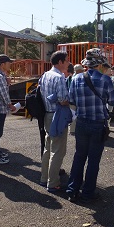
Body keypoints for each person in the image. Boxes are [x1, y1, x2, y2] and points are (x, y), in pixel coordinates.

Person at [66, 48, 114, 203]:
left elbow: (72, 101)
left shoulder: (76, 78)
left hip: (81, 122)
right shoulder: (105, 80)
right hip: (98, 124)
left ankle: (72, 189)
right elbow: (112, 101)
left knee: (79, 156)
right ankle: (88, 192)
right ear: (99, 63)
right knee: (93, 159)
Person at [39, 51, 70, 192]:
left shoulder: (45, 74)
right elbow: (63, 99)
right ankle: (53, 183)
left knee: (48, 148)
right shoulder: (60, 77)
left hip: (47, 114)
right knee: (58, 150)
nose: (68, 63)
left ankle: (44, 178)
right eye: (67, 60)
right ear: (60, 62)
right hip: (57, 116)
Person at [69, 64, 85, 135]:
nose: (82, 71)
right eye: (82, 70)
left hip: (72, 100)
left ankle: (72, 130)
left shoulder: (72, 77)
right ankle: (73, 130)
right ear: (79, 71)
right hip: (77, 99)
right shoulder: (78, 78)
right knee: (75, 116)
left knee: (73, 115)